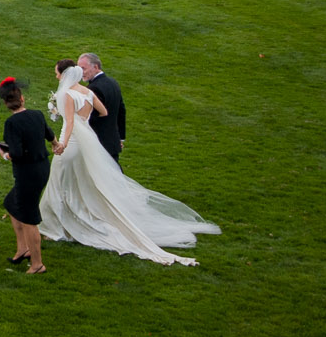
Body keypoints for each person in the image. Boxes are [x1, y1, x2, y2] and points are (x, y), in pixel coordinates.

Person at [40, 62, 218, 265]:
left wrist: (62, 142)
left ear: (64, 75)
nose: (56, 78)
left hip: (71, 143)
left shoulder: (67, 95)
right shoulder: (87, 92)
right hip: (87, 140)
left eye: (56, 74)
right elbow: (104, 112)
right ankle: (73, 218)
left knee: (59, 181)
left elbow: (70, 123)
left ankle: (55, 227)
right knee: (83, 181)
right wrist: (84, 122)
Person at [0, 77, 51, 274]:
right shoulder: (36, 115)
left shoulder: (12, 123)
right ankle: (23, 248)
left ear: (6, 104)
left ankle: (37, 265)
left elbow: (16, 153)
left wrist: (4, 154)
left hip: (28, 173)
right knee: (11, 203)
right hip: (43, 168)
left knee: (29, 218)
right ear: (22, 98)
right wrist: (56, 144)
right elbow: (49, 134)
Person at [78, 52, 125, 163]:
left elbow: (91, 117)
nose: (81, 73)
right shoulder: (113, 82)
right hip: (112, 141)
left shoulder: (93, 89)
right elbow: (121, 110)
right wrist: (120, 137)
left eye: (83, 69)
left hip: (99, 142)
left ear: (96, 67)